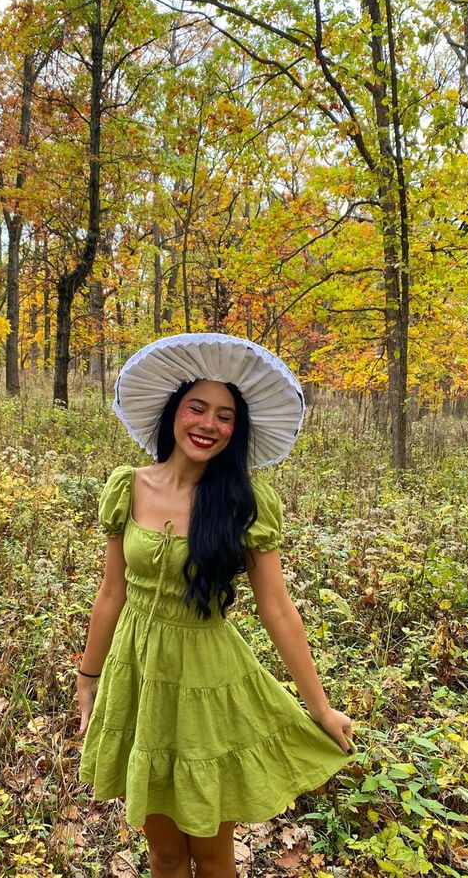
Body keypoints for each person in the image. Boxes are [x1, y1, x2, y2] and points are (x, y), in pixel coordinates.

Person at [76, 333, 356, 878]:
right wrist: (88, 678)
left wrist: (319, 707)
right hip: (137, 677)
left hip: (207, 682)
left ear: (238, 429)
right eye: (197, 408)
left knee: (209, 852)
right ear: (173, 413)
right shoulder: (126, 486)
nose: (209, 425)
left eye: (225, 417)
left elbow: (277, 608)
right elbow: (112, 591)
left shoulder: (245, 503)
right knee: (163, 853)